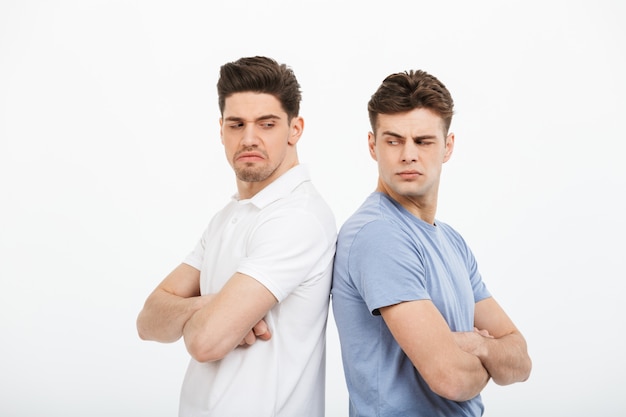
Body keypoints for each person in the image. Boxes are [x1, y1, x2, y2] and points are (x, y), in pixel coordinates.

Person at [136, 56, 337, 417]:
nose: (248, 138)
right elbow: (148, 321)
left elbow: (205, 342)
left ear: (295, 129)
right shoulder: (227, 217)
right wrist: (208, 305)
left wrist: (204, 318)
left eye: (266, 123)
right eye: (236, 124)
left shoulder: (297, 217)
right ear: (221, 130)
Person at [331, 69, 532, 416]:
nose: (408, 154)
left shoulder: (451, 242)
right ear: (372, 145)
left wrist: (473, 346)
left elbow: (521, 360)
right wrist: (488, 350)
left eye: (423, 141)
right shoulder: (378, 234)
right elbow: (450, 378)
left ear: (447, 147)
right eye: (393, 140)